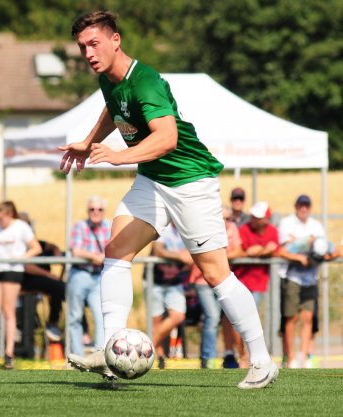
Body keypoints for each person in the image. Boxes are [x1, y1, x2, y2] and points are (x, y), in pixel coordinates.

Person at [62, 11, 277, 388]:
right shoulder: (108, 80)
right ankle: (111, 353)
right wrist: (88, 140)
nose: (88, 53)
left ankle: (261, 360)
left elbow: (167, 138)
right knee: (116, 250)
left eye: (94, 43)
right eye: (82, 47)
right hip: (153, 179)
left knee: (214, 273)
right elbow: (115, 110)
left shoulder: (145, 81)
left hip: (190, 181)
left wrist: (116, 156)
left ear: (116, 40)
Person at [0, 201, 41, 370]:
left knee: (8, 311)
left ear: (10, 214)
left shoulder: (20, 226)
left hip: (13, 271)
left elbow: (36, 247)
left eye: (3, 218)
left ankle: (9, 353)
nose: (0, 221)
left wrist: (22, 257)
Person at [278, 195, 331, 369]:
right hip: (291, 276)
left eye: (307, 205)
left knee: (308, 317)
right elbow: (284, 249)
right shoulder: (286, 223)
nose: (304, 208)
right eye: (301, 204)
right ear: (296, 205)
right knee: (291, 317)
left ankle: (304, 358)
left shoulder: (316, 225)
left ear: (310, 207)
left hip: (310, 278)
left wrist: (301, 242)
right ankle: (291, 358)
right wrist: (306, 243)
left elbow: (323, 247)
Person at [226, 201, 279, 367]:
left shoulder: (272, 231)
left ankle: (248, 355)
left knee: (248, 319)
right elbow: (242, 250)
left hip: (259, 283)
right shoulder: (245, 229)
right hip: (242, 280)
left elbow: (274, 248)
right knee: (240, 319)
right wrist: (257, 251)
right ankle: (243, 355)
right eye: (254, 216)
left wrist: (261, 251)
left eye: (258, 217)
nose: (254, 219)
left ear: (266, 219)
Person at [189, 206, 242, 369]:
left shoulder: (232, 229)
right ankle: (208, 358)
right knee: (212, 317)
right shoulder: (206, 229)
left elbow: (238, 250)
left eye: (228, 219)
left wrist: (219, 257)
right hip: (203, 280)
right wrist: (223, 256)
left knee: (229, 317)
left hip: (222, 280)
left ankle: (230, 354)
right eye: (222, 218)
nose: (225, 222)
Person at [67, 196, 111, 356]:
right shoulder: (80, 226)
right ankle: (77, 356)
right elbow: (76, 250)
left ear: (104, 211)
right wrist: (95, 256)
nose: (96, 212)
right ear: (88, 211)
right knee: (75, 316)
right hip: (80, 274)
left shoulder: (109, 226)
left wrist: (98, 257)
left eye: (99, 209)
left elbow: (115, 248)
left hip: (98, 276)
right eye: (92, 209)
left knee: (100, 316)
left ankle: (99, 355)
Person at [150, 223, 193, 369]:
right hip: (154, 280)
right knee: (156, 319)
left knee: (178, 315)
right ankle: (159, 355)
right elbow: (158, 250)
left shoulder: (189, 230)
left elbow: (193, 256)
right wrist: (180, 256)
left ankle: (148, 346)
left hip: (174, 282)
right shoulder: (164, 228)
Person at [18, 211, 66, 343]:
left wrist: (56, 251)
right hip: (26, 280)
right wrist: (49, 275)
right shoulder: (18, 246)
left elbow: (50, 246)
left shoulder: (36, 243)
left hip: (43, 280)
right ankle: (53, 323)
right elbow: (26, 266)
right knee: (58, 287)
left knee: (69, 291)